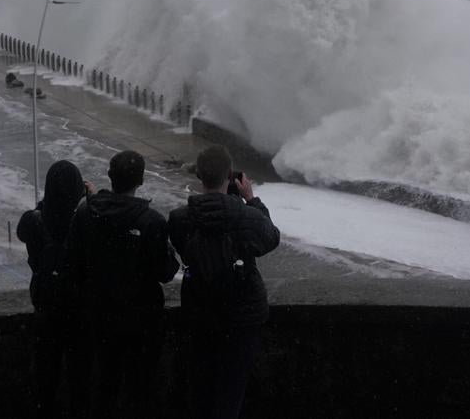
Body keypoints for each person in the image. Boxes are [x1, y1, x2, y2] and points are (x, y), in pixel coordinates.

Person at [168, 145, 281, 419]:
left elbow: (184, 248)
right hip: (241, 318)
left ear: (199, 176)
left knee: (201, 389)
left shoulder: (180, 219)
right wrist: (250, 199)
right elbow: (270, 238)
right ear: (230, 176)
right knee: (231, 391)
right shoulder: (247, 217)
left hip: (200, 313)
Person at [66, 149, 179, 417]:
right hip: (142, 323)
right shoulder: (151, 221)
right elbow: (165, 272)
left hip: (98, 318)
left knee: (103, 388)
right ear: (140, 181)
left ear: (110, 176)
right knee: (140, 391)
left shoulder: (86, 213)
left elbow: (75, 262)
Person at [17, 159, 94, 418]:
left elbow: (22, 231)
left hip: (47, 309)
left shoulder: (33, 222)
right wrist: (90, 199)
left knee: (44, 379)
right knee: (80, 380)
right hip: (79, 310)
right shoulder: (85, 221)